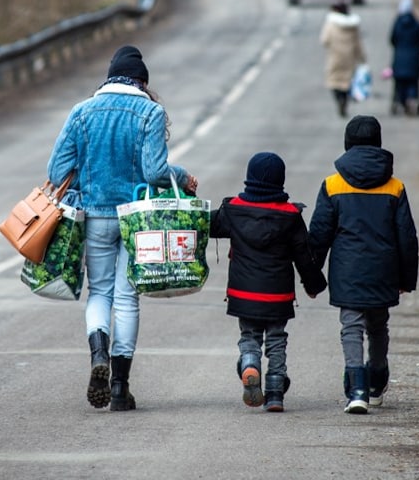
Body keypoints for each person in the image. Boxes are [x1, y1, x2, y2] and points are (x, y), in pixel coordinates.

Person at [47, 45, 199, 412]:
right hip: (138, 220)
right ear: (142, 82)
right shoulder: (150, 111)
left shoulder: (81, 112)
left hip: (95, 216)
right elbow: (156, 174)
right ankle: (119, 388)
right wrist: (182, 177)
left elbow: (55, 173)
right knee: (128, 297)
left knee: (99, 293)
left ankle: (97, 353)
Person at [307, 115, 419, 414]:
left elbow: (319, 234)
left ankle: (356, 388)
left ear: (347, 144)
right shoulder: (395, 187)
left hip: (348, 269)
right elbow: (407, 237)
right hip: (384, 269)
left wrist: (311, 275)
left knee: (351, 326)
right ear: (378, 144)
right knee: (378, 325)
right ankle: (377, 377)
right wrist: (407, 279)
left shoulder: (332, 184)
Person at [209, 152, 327, 412]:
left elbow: (206, 224)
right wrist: (314, 284)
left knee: (249, 335)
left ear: (249, 178)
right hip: (278, 296)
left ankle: (250, 363)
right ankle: (274, 393)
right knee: (276, 339)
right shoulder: (291, 216)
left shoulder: (233, 210)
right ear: (280, 181)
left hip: (243, 294)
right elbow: (304, 257)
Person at [320, 0, 366, 118]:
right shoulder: (353, 26)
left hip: (335, 58)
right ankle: (344, 101)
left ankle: (339, 99)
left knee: (335, 81)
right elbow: (358, 43)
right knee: (347, 82)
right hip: (349, 59)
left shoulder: (331, 24)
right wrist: (362, 58)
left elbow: (324, 40)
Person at [389, 0, 419, 116]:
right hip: (414, 59)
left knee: (400, 84)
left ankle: (401, 102)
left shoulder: (397, 23)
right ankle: (413, 100)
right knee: (413, 83)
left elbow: (392, 39)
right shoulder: (417, 23)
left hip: (399, 59)